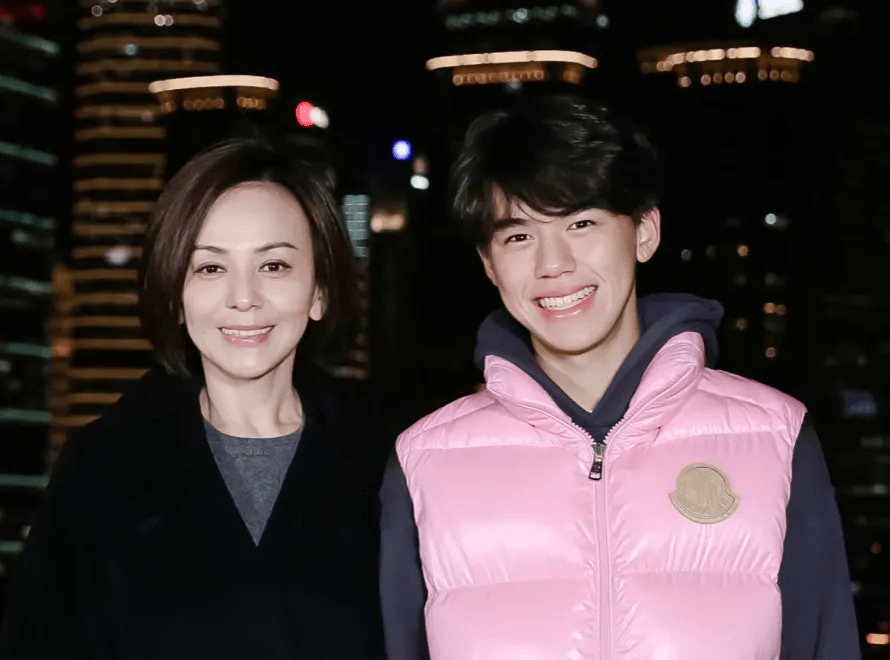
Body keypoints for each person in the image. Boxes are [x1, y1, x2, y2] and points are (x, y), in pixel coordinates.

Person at [379, 95, 861, 660]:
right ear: (489, 263)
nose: (552, 264)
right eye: (519, 236)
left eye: (581, 223)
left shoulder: (776, 438)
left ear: (644, 232)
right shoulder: (424, 462)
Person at [0, 136, 388, 659]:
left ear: (319, 291)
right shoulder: (101, 469)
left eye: (273, 265)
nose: (244, 297)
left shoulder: (389, 464)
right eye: (210, 268)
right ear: (176, 298)